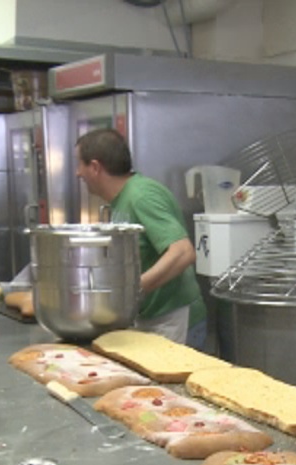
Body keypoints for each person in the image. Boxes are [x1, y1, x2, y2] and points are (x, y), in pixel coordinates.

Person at [75, 128, 207, 348]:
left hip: (174, 319)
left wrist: (130, 289)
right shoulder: (121, 200)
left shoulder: (142, 196)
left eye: (80, 164)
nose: (78, 173)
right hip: (151, 319)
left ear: (95, 167)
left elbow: (182, 252)